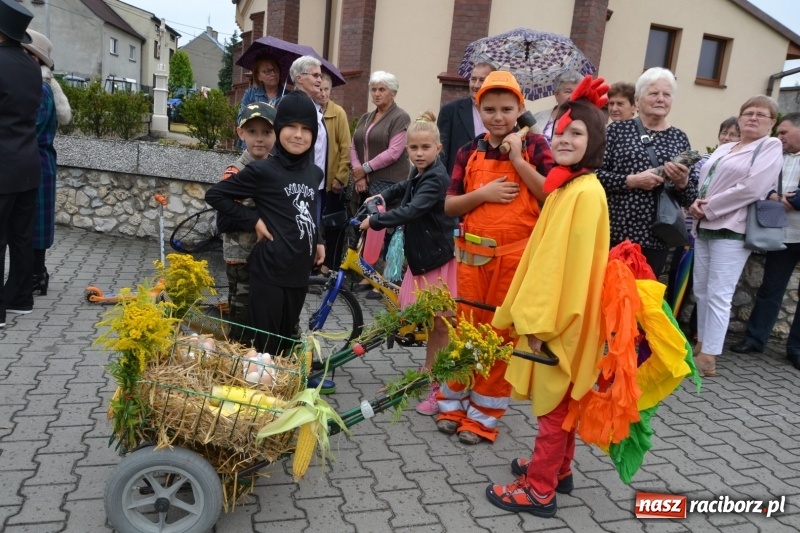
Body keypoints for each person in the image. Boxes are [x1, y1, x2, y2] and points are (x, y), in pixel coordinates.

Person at [486, 75, 610, 518]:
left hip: (561, 320)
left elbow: (560, 269)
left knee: (554, 408)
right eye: (560, 130)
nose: (564, 139)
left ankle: (538, 489)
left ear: (593, 141)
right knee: (566, 401)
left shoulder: (581, 193)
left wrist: (538, 326)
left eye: (577, 133)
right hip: (569, 319)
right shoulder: (573, 186)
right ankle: (559, 469)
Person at [439, 70, 554, 445]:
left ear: (520, 108)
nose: (498, 116)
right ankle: (452, 403)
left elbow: (552, 196)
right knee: (465, 333)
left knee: (499, 337)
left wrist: (521, 161)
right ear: (479, 108)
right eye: (490, 109)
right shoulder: (467, 151)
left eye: (507, 109)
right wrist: (484, 193)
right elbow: (450, 205)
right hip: (471, 262)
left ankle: (483, 417)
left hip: (512, 264)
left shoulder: (537, 147)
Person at [205, 91, 325, 354]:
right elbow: (215, 195)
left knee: (287, 345)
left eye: (306, 128)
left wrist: (318, 239)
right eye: (291, 126)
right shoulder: (263, 171)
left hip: (299, 275)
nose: (298, 134)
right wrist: (254, 220)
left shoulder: (314, 173)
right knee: (264, 350)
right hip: (268, 274)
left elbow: (310, 209)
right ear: (280, 129)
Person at [358, 111, 458, 416]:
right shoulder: (420, 171)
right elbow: (403, 188)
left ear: (438, 148)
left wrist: (375, 221)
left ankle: (441, 385)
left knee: (441, 325)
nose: (419, 153)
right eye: (413, 148)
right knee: (433, 323)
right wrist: (379, 196)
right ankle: (430, 369)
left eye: (425, 148)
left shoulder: (436, 178)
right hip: (424, 257)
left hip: (436, 261)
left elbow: (412, 209)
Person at [689, 95, 783, 377]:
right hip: (705, 224)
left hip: (732, 226)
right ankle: (702, 342)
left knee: (719, 292)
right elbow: (705, 181)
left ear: (772, 123)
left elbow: (751, 188)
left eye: (761, 115)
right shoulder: (726, 147)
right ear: (739, 118)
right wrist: (696, 203)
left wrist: (710, 208)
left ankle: (709, 356)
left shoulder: (770, 145)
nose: (753, 118)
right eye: (748, 113)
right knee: (702, 290)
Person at [597, 67, 697, 276]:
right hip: (616, 231)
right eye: (654, 93)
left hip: (657, 236)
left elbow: (690, 196)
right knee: (612, 295)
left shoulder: (679, 138)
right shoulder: (617, 131)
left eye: (666, 94)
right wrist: (631, 181)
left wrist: (682, 182)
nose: (661, 99)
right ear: (638, 99)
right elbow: (594, 176)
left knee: (645, 300)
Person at [730, 113, 800, 369]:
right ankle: (755, 339)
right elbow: (760, 183)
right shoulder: (775, 155)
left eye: (784, 132)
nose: (779, 138)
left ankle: (796, 349)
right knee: (770, 289)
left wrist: (793, 200)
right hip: (780, 235)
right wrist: (773, 194)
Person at [666, 116, 741, 341]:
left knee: (711, 286)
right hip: (691, 231)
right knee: (680, 280)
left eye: (733, 135)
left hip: (721, 231)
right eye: (724, 133)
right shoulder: (704, 160)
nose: (727, 138)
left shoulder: (743, 165)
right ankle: (670, 325)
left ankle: (701, 334)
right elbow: (687, 188)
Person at [349, 71, 410, 295]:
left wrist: (364, 168)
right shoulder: (366, 117)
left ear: (392, 93)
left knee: (388, 229)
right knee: (370, 228)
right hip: (367, 180)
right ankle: (369, 275)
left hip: (391, 181)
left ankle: (387, 278)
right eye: (373, 89)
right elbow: (352, 146)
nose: (376, 93)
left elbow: (394, 152)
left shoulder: (400, 117)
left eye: (381, 89)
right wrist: (359, 174)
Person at [21, 30, 72, 297]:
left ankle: (36, 274)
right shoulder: (43, 86)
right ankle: (35, 274)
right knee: (33, 221)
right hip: (38, 160)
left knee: (35, 223)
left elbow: (32, 127)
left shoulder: (40, 89)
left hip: (36, 161)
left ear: (32, 57)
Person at [217, 102, 277, 327]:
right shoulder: (235, 172)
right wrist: (255, 216)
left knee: (261, 309)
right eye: (252, 132)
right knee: (241, 311)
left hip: (266, 256)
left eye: (267, 132)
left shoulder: (277, 168)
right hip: (240, 256)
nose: (259, 138)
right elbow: (224, 218)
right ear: (240, 133)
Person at [0, 0, 41, 328]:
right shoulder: (31, 66)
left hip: (2, 165)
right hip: (28, 163)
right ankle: (20, 299)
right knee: (21, 236)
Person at [316, 72, 351, 274]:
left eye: (326, 89)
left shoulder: (338, 113)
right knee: (313, 223)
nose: (323, 93)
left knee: (333, 226)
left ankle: (330, 266)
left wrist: (340, 177)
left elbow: (345, 148)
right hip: (314, 181)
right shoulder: (311, 111)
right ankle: (315, 261)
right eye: (319, 89)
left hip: (332, 182)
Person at [437, 62, 495, 176]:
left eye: (482, 80)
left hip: (490, 181)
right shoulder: (450, 111)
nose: (476, 85)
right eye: (473, 79)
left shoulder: (501, 115)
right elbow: (441, 155)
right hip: (458, 182)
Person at [289, 56, 328, 222]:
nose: (320, 80)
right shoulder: (292, 105)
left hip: (317, 184)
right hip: (299, 184)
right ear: (299, 78)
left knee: (313, 231)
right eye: (315, 75)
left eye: (320, 75)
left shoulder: (316, 108)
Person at [236, 55, 283, 150]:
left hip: (276, 147)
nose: (273, 74)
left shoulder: (286, 96)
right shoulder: (250, 94)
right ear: (259, 76)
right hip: (252, 146)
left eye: (276, 70)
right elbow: (241, 118)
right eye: (267, 71)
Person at [533, 70, 582, 145]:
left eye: (577, 92)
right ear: (556, 95)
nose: (573, 97)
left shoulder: (584, 122)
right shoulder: (536, 118)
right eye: (568, 91)